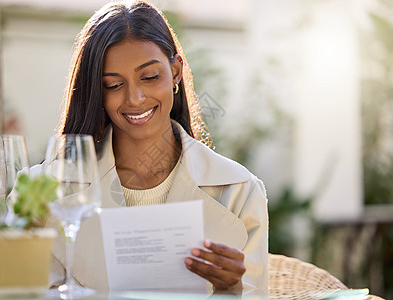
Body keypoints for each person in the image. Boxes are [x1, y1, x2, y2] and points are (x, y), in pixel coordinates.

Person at [49, 0, 268, 295]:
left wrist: (231, 288)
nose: (135, 98)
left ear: (176, 71)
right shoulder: (51, 191)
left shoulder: (238, 191)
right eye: (113, 85)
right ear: (95, 92)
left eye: (150, 77)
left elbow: (256, 294)